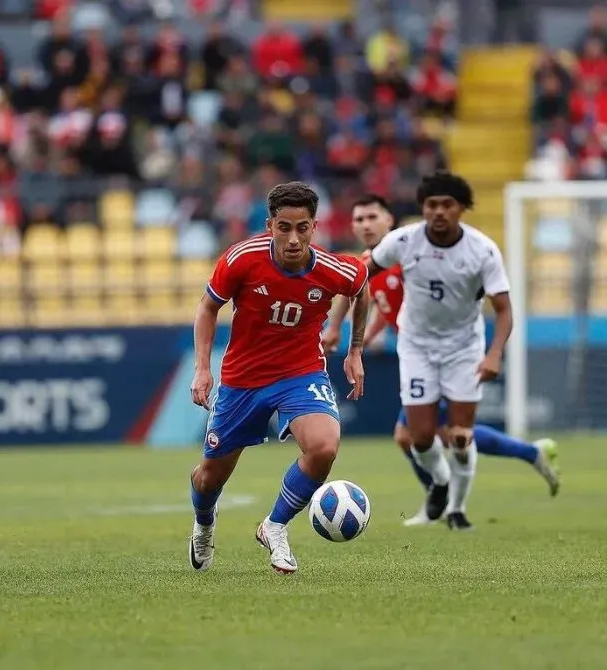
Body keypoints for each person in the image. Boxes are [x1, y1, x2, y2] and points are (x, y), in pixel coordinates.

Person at [323, 194, 559, 527]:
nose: (364, 224)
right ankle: (512, 463)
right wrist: (369, 331)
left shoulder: (411, 256)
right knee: (439, 434)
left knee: (434, 434)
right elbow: (379, 302)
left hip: (447, 354)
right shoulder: (373, 262)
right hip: (419, 354)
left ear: (390, 221)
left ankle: (448, 499)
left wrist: (342, 328)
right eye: (358, 219)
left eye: (372, 217)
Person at [188, 181, 370, 575]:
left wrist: (355, 349)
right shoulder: (241, 259)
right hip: (243, 379)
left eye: (301, 228)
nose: (292, 238)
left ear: (314, 227)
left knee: (324, 447)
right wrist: (202, 367)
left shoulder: (334, 269)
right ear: (269, 225)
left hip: (300, 372)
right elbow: (207, 309)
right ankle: (204, 525)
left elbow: (361, 285)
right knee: (208, 478)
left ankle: (274, 526)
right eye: (283, 227)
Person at [364, 172, 513, 531]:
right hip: (416, 345)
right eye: (432, 205)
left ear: (462, 208)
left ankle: (457, 510)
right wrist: (339, 325)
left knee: (461, 435)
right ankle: (441, 484)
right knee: (420, 439)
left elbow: (505, 309)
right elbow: (360, 275)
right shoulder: (403, 241)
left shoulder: (483, 250)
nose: (439, 212)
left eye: (448, 204)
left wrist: (493, 354)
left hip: (463, 348)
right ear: (423, 208)